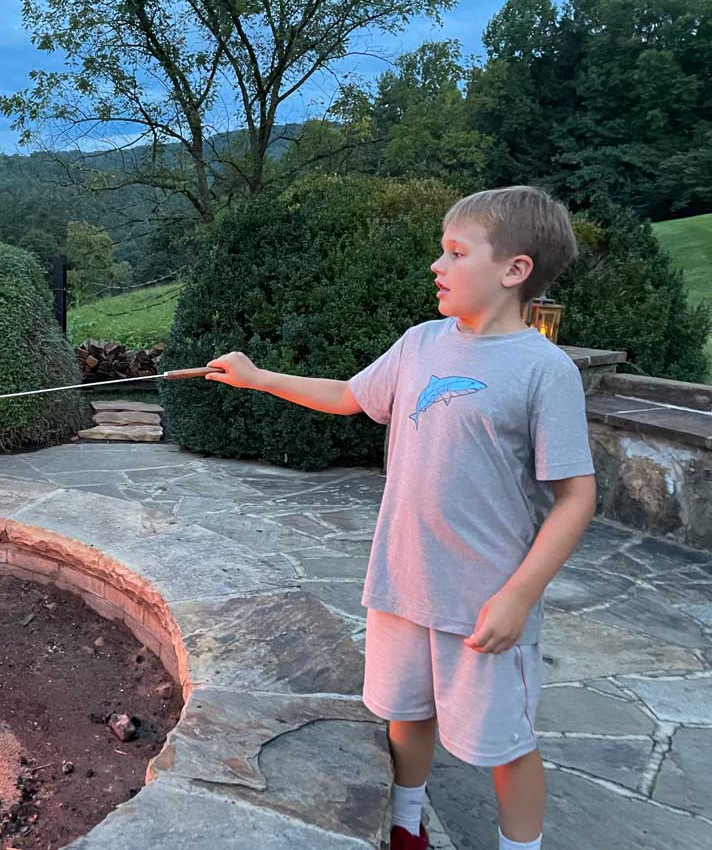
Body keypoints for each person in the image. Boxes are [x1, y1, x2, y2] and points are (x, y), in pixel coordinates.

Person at [205, 186, 597, 850]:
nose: (436, 267)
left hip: (484, 605)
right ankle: (405, 825)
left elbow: (576, 496)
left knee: (505, 744)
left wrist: (518, 597)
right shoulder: (419, 345)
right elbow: (352, 395)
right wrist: (258, 376)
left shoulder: (545, 370)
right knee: (404, 715)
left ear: (514, 269)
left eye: (454, 252)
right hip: (403, 583)